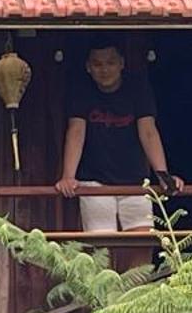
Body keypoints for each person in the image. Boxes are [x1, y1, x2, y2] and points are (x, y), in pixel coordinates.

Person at [55, 39, 183, 232]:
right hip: (94, 181)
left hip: (136, 180)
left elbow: (148, 132)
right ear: (88, 67)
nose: (104, 69)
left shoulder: (137, 88)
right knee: (101, 246)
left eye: (110, 63)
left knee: (141, 241)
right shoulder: (81, 90)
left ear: (121, 64)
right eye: (97, 64)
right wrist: (68, 177)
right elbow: (76, 132)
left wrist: (163, 175)